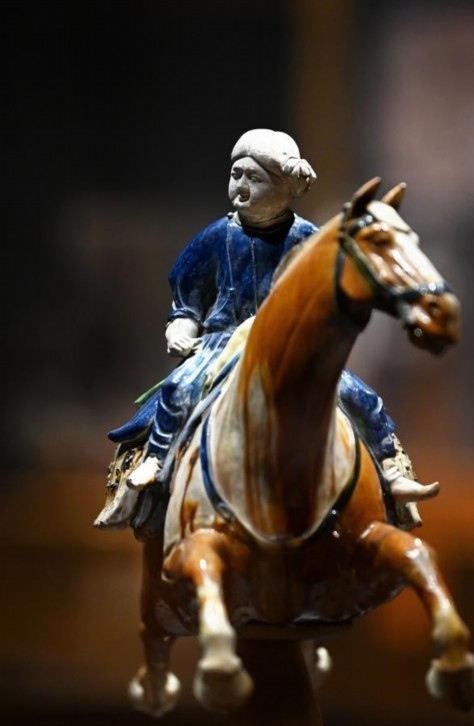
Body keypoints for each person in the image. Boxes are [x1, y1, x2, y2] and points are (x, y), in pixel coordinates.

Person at [96, 129, 437, 528]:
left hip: (290, 346)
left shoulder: (308, 240)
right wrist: (180, 328)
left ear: (285, 188)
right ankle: (155, 463)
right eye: (236, 174)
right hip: (222, 344)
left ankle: (391, 472)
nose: (241, 185)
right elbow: (188, 301)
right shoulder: (214, 238)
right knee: (178, 388)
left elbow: (325, 298)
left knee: (361, 396)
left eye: (254, 177)